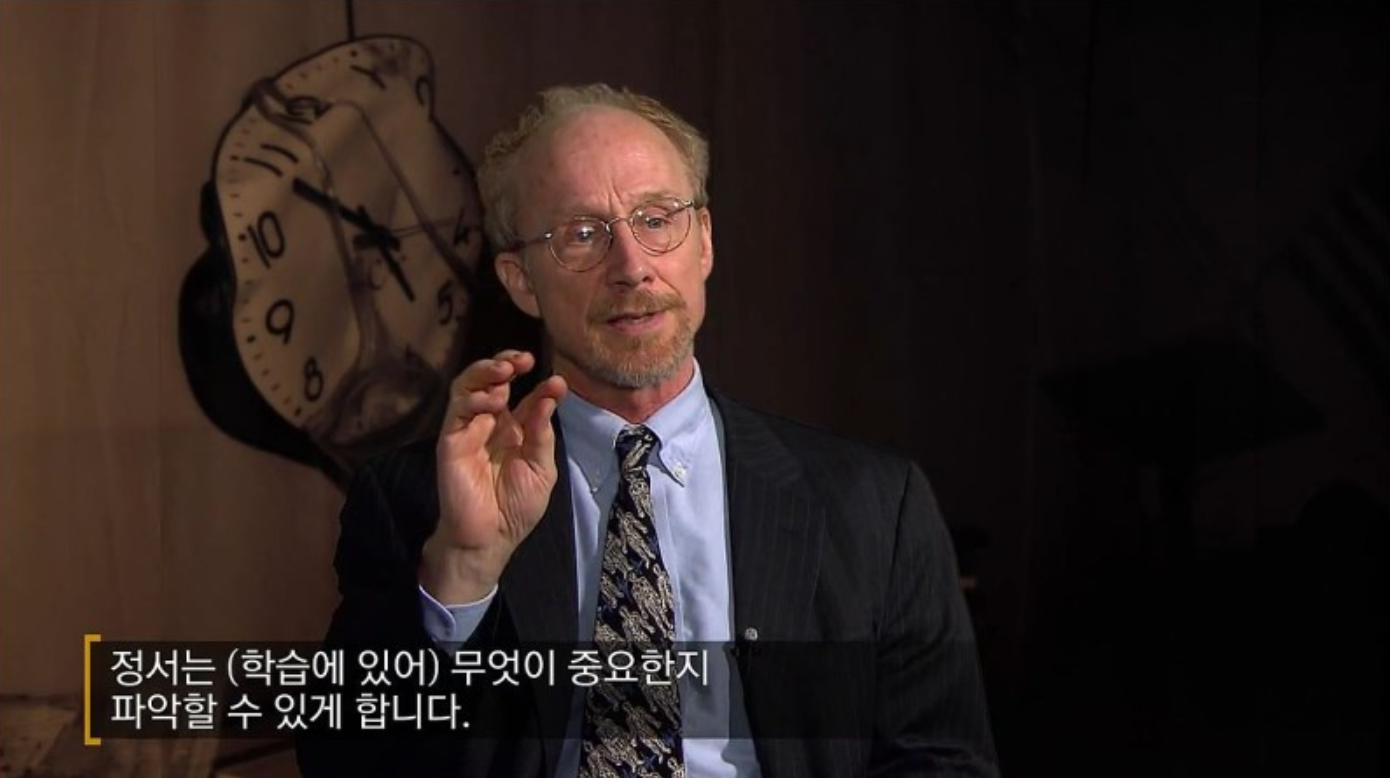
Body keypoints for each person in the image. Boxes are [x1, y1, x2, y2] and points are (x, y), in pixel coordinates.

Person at [297, 83, 998, 777]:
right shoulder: (414, 502)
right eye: (582, 235)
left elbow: (944, 763)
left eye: (657, 220)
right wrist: (462, 575)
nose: (632, 268)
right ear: (520, 280)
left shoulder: (875, 504)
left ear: (705, 244)